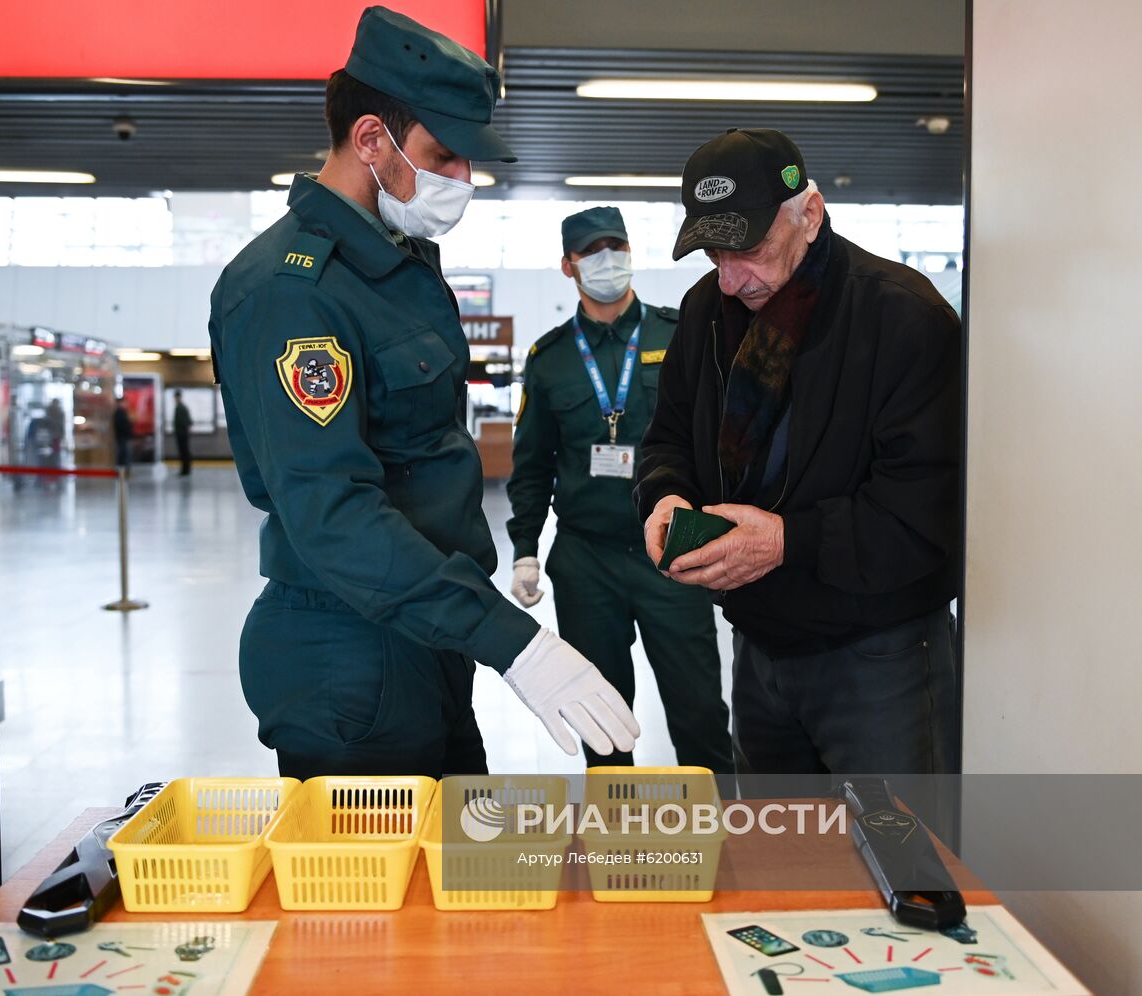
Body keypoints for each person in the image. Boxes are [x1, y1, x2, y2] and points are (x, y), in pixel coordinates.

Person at [206, 6, 639, 780]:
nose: (463, 181)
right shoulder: (290, 293)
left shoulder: (400, 266)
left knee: (456, 882)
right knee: (366, 899)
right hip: (350, 659)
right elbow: (332, 516)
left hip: (426, 635)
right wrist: (514, 643)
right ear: (371, 139)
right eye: (444, 156)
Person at [635, 128, 962, 787]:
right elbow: (667, 436)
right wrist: (664, 496)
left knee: (909, 864)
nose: (730, 279)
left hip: (880, 656)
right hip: (759, 646)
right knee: (776, 862)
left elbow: (925, 507)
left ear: (808, 215)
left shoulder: (902, 317)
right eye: (712, 254)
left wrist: (786, 541)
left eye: (749, 249)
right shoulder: (706, 312)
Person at [507, 206, 732, 772]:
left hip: (674, 553)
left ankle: (727, 839)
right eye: (591, 252)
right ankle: (618, 842)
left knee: (700, 711)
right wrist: (526, 551)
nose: (608, 261)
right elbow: (532, 462)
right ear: (568, 266)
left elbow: (717, 437)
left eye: (616, 248)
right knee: (602, 720)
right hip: (586, 560)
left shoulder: (679, 335)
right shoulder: (550, 358)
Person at [173, 389, 193, 477]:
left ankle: (185, 470)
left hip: (181, 434)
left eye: (176, 397)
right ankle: (186, 470)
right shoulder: (182, 407)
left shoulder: (180, 408)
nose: (175, 399)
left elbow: (186, 421)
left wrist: (182, 430)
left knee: (184, 452)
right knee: (184, 452)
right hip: (183, 433)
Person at [112, 396, 133, 473]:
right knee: (122, 455)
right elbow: (121, 425)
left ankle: (124, 470)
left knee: (125, 454)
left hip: (124, 437)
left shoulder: (123, 412)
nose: (126, 404)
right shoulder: (119, 413)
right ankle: (121, 471)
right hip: (122, 437)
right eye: (124, 402)